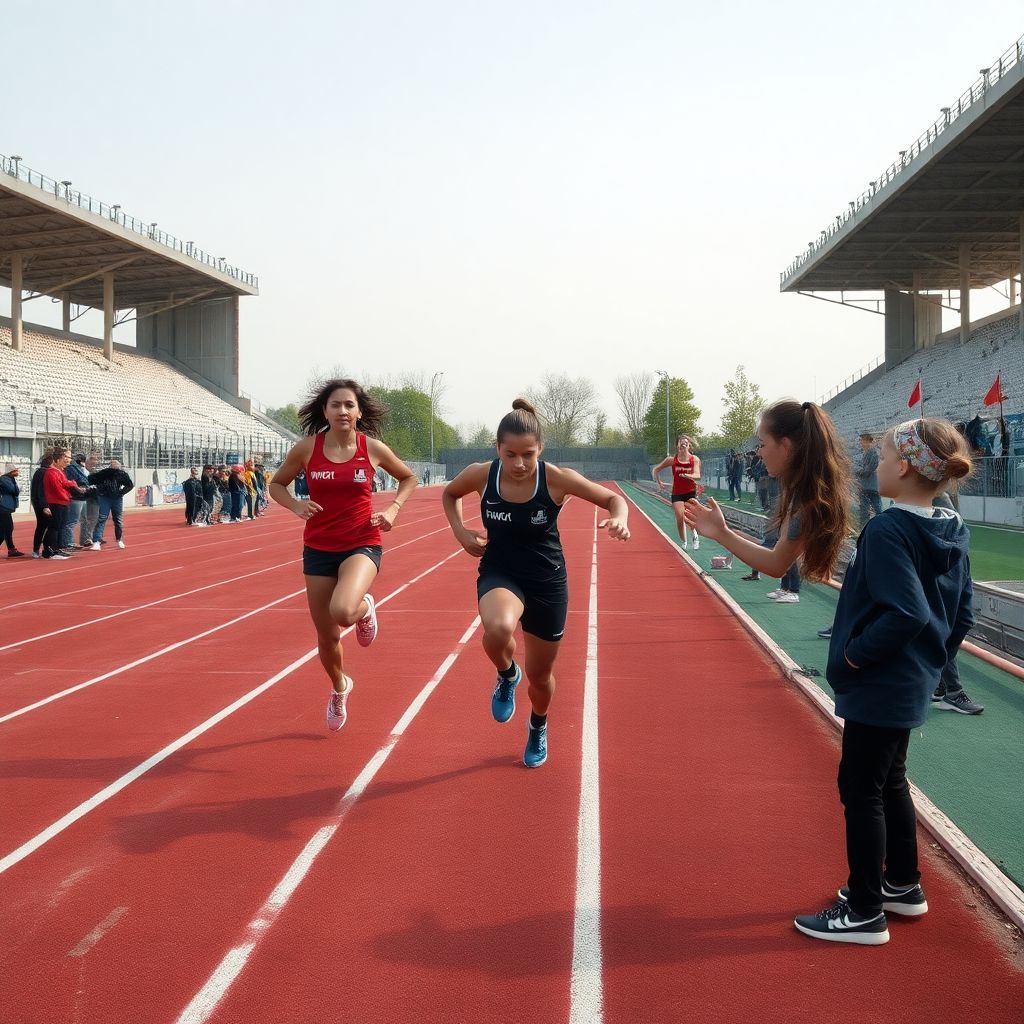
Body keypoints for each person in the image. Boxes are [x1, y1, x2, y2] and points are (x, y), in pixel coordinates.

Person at [789, 418, 977, 945]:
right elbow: (960, 613)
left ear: (908, 467)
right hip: (911, 679)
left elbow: (906, 613)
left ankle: (866, 909)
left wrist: (852, 657)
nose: (878, 465)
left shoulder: (889, 528)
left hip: (879, 680)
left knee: (860, 789)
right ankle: (902, 884)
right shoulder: (951, 527)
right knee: (890, 780)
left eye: (887, 455)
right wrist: (933, 664)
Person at [442, 398, 630, 769]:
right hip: (500, 572)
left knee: (541, 677)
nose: (519, 464)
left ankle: (537, 725)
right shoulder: (483, 474)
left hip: (547, 581)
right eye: (509, 454)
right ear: (497, 449)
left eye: (527, 454)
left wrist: (620, 518)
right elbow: (450, 494)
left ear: (540, 449)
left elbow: (611, 499)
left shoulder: (555, 478)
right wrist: (461, 532)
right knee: (497, 629)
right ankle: (506, 674)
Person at [270, 378, 417, 731]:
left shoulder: (373, 448)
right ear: (325, 411)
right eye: (335, 405)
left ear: (359, 411)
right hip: (319, 547)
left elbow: (408, 478)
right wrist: (295, 504)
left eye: (349, 405)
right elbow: (277, 484)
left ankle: (365, 607)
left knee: (343, 611)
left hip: (361, 542)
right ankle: (340, 687)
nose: (343, 411)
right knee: (327, 636)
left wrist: (394, 509)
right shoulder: (307, 448)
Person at [652, 433, 701, 550]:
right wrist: (659, 482)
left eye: (686, 443)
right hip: (677, 493)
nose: (683, 444)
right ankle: (684, 542)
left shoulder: (694, 459)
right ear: (678, 445)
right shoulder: (672, 460)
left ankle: (695, 535)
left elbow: (697, 475)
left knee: (689, 517)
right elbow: (656, 470)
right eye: (681, 443)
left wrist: (688, 475)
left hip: (690, 492)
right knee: (680, 516)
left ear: (689, 445)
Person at [89, 459, 133, 550]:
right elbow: (92, 479)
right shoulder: (104, 473)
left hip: (116, 499)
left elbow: (129, 485)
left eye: (116, 464)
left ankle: (119, 540)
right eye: (112, 464)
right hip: (105, 498)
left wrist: (121, 492)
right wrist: (100, 490)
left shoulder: (122, 474)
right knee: (102, 518)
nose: (114, 465)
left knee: (118, 519)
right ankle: (96, 541)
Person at [42, 447, 77, 559]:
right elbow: (59, 488)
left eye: (69, 458)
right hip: (56, 503)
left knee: (59, 527)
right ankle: (50, 550)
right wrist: (71, 486)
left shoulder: (59, 472)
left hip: (62, 502)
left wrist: (70, 485)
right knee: (54, 527)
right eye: (65, 458)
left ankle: (55, 549)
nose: (68, 460)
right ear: (57, 460)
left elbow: (65, 484)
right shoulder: (52, 472)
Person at [63, 453, 91, 550]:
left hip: (80, 497)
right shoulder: (71, 469)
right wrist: (82, 488)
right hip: (76, 497)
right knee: (71, 521)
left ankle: (77, 541)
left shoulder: (76, 468)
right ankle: (69, 542)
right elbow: (77, 481)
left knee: (79, 520)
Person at [30, 453, 54, 559]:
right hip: (42, 503)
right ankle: (39, 548)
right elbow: (41, 490)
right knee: (43, 526)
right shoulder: (44, 473)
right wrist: (44, 505)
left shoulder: (39, 472)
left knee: (42, 526)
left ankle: (39, 549)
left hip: (39, 502)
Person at [855, 432, 882, 525]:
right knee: (866, 510)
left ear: (867, 442)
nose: (860, 443)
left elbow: (870, 468)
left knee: (875, 509)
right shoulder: (866, 453)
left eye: (862, 441)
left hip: (870, 486)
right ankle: (865, 528)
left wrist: (859, 472)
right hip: (866, 486)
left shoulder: (873, 453)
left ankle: (880, 526)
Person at [0, 463, 25, 558]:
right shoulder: (4, 480)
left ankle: (11, 549)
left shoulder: (9, 479)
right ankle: (11, 549)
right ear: (10, 472)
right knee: (6, 529)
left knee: (6, 530)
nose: (17, 472)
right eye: (15, 470)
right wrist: (17, 488)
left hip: (5, 507)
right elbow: (14, 490)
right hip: (3, 508)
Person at [79, 452, 101, 547]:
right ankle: (86, 539)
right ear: (86, 461)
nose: (94, 462)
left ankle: (91, 537)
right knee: (86, 519)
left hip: (95, 498)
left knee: (94, 519)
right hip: (85, 498)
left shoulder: (96, 472)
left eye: (95, 460)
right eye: (92, 459)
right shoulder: (82, 471)